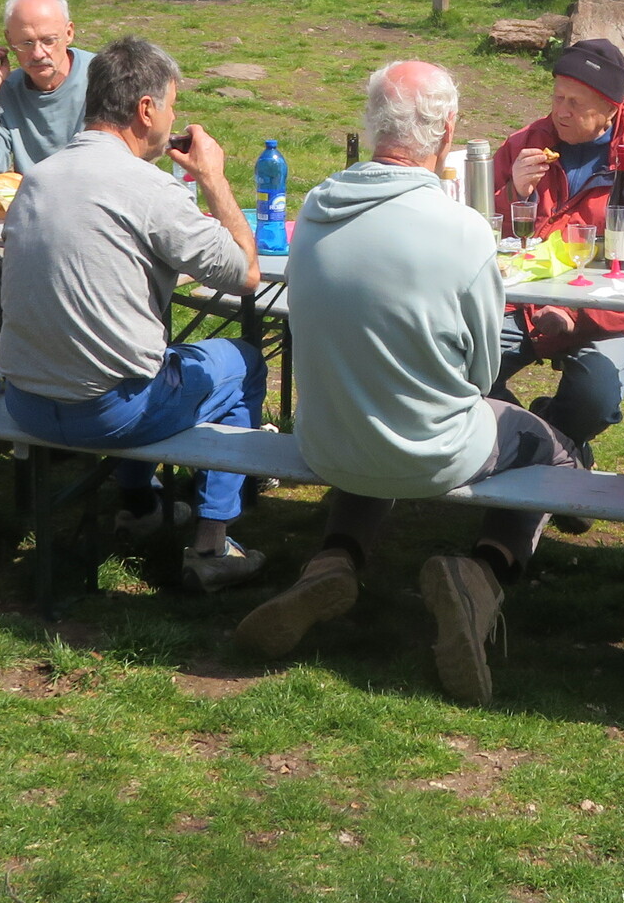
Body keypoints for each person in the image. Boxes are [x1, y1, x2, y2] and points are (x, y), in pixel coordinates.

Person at [237, 61, 584, 705]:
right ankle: (482, 574)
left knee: (378, 409)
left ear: (372, 125)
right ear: (448, 132)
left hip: (326, 440)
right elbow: (483, 374)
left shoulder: (315, 208)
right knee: (551, 445)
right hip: (427, 450)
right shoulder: (461, 229)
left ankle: (333, 561)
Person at [0, 36, 267, 593]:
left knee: (148, 358)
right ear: (146, 109)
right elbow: (245, 275)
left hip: (26, 400)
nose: (172, 121)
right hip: (107, 412)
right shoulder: (151, 188)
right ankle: (212, 544)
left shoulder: (39, 177)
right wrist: (213, 178)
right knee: (244, 362)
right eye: (171, 106)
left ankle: (140, 506)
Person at [487, 37, 624, 456]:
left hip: (610, 316)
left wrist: (574, 313)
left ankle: (545, 444)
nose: (561, 111)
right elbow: (482, 229)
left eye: (576, 103)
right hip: (522, 303)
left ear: (611, 108)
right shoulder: (524, 144)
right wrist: (512, 192)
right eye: (558, 97)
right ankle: (547, 447)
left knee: (594, 398)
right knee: (463, 372)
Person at [0, 0, 93, 343]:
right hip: (28, 230)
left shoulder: (104, 78)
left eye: (49, 40)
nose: (38, 53)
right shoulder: (9, 87)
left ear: (69, 33)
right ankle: (22, 365)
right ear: (8, 42)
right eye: (26, 43)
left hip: (90, 224)